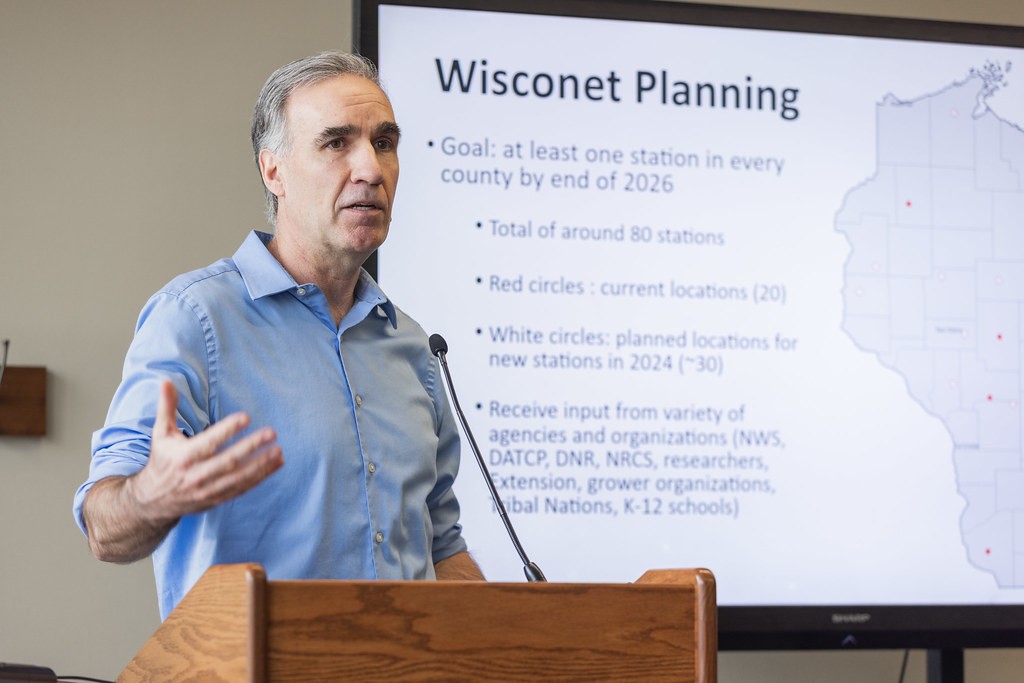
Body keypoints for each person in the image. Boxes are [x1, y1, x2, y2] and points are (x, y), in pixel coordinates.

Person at [73, 51, 484, 619]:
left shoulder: (409, 345)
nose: (370, 168)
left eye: (384, 143)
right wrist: (151, 495)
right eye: (336, 143)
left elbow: (441, 548)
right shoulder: (195, 319)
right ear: (274, 171)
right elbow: (104, 528)